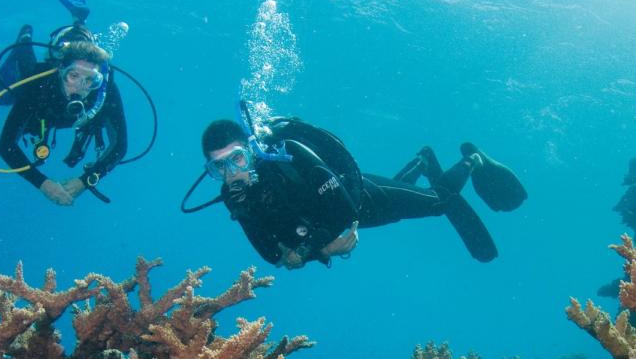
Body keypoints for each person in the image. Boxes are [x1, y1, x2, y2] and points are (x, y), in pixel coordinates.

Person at [184, 112, 527, 266]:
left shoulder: (289, 154)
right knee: (399, 209)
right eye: (219, 167)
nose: (232, 174)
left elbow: (345, 211)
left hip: (363, 198)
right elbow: (273, 255)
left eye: (237, 159)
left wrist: (311, 249)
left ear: (252, 150)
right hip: (341, 223)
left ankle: (473, 160)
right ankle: (422, 162)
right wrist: (313, 252)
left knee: (438, 202)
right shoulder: (236, 198)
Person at [0, 33, 128, 206]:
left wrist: (85, 181)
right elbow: (6, 145)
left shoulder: (105, 92)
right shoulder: (38, 86)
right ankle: (25, 41)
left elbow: (120, 145)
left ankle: (79, 27)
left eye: (90, 79)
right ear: (61, 70)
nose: (80, 87)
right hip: (43, 110)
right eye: (73, 76)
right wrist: (43, 184)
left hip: (60, 116)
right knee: (20, 76)